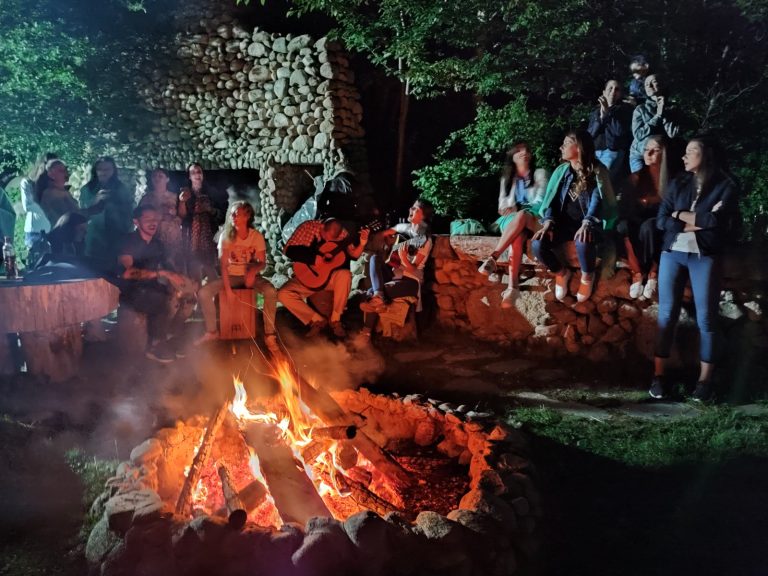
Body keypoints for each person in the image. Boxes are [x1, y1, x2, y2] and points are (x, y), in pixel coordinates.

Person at [650, 137, 739, 402]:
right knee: (666, 315)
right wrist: (685, 218)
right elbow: (661, 220)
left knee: (707, 319)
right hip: (673, 253)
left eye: (692, 151)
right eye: (685, 151)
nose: (684, 156)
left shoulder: (726, 185)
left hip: (704, 256)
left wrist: (681, 216)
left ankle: (704, 382)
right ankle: (658, 377)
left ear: (707, 154)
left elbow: (717, 222)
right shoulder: (678, 182)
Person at [532, 129, 617, 302]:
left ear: (578, 147)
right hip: (563, 225)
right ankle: (561, 273)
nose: (561, 147)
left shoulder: (597, 170)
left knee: (583, 239)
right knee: (537, 244)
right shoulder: (562, 171)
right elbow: (552, 202)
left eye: (566, 143)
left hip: (590, 225)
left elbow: (597, 200)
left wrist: (587, 223)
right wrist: (548, 223)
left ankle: (587, 277)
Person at [195, 201, 278, 351]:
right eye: (232, 213)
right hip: (231, 276)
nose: (233, 216)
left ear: (247, 216)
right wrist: (228, 290)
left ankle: (269, 334)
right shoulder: (226, 237)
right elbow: (223, 267)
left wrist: (253, 271)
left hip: (250, 276)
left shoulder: (256, 236)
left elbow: (262, 262)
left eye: (237, 214)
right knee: (204, 293)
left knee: (271, 291)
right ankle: (212, 331)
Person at [118, 205, 196, 363]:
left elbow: (169, 267)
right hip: (132, 291)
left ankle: (170, 336)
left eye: (155, 219)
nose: (153, 223)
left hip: (152, 287)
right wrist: (163, 274)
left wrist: (183, 281)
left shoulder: (157, 244)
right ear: (136, 222)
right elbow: (127, 273)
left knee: (187, 299)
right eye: (147, 220)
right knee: (161, 301)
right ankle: (154, 347)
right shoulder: (129, 242)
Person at [477, 143, 548, 307]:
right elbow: (501, 206)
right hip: (512, 222)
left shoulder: (539, 173)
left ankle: (493, 258)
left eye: (526, 149)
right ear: (512, 157)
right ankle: (512, 287)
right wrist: (509, 209)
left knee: (522, 216)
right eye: (519, 151)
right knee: (518, 236)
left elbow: (541, 202)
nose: (524, 152)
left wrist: (518, 209)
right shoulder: (508, 179)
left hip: (534, 219)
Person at [278, 218, 370, 338]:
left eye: (332, 239)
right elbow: (288, 250)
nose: (327, 241)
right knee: (283, 294)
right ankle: (317, 320)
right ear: (321, 227)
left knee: (345, 275)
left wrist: (362, 243)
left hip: (329, 278)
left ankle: (335, 320)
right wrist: (313, 258)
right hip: (308, 277)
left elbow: (354, 255)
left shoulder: (343, 234)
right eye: (326, 237)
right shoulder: (308, 228)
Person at [359, 199, 434, 335]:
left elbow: (414, 270)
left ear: (423, 216)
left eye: (415, 209)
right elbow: (384, 234)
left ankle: (365, 333)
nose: (411, 209)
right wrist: (377, 239)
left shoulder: (424, 240)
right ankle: (378, 296)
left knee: (372, 291)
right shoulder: (403, 228)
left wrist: (404, 258)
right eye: (411, 207)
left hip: (411, 281)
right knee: (374, 258)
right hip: (394, 274)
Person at [617, 135, 670, 299]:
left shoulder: (671, 179)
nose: (649, 153)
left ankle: (653, 272)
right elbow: (625, 205)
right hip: (637, 218)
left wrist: (653, 202)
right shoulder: (635, 178)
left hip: (660, 221)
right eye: (647, 149)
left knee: (651, 228)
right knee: (623, 227)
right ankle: (637, 273)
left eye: (655, 150)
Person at [80, 157, 136, 271]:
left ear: (113, 170)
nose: (104, 172)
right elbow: (82, 213)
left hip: (117, 239)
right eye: (100, 169)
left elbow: (129, 213)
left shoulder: (122, 188)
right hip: (94, 240)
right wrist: (94, 201)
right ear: (95, 170)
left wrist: (128, 239)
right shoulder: (87, 189)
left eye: (107, 169)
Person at [178, 162, 225, 281]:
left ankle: (217, 296)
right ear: (189, 176)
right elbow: (182, 216)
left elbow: (221, 215)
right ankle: (198, 297)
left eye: (199, 171)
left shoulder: (212, 192)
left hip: (208, 231)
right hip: (191, 232)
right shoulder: (184, 192)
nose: (196, 174)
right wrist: (182, 202)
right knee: (194, 265)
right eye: (193, 172)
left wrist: (210, 209)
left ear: (203, 174)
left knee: (209, 265)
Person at [629, 74, 681, 173]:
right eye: (646, 84)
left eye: (653, 82)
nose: (649, 86)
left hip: (661, 155)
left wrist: (664, 112)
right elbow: (638, 135)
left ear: (662, 85)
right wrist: (657, 116)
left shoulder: (673, 108)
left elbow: (672, 134)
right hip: (639, 154)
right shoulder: (640, 109)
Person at [587, 79, 633, 187]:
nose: (613, 91)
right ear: (604, 92)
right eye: (610, 88)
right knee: (590, 184)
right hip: (595, 152)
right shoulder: (596, 111)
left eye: (617, 89)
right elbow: (591, 133)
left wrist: (608, 114)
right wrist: (602, 116)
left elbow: (619, 132)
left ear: (620, 94)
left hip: (612, 152)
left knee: (603, 185)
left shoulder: (625, 110)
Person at [139, 168, 184, 271]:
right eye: (154, 176)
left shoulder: (174, 197)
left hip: (171, 235)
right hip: (154, 234)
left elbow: (182, 216)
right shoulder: (147, 198)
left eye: (160, 176)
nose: (157, 178)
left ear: (167, 179)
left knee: (173, 264)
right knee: (155, 264)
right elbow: (139, 216)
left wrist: (174, 215)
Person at [20, 153, 56, 248]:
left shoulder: (56, 184)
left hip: (53, 231)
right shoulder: (28, 182)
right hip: (35, 232)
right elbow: (28, 205)